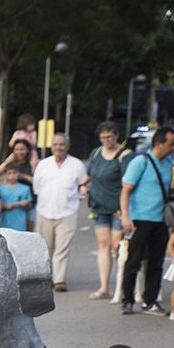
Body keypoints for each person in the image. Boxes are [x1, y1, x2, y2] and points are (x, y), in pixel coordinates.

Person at [118, 126, 174, 316]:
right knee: (133, 261)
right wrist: (126, 216)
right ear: (159, 144)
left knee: (156, 262)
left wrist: (172, 185)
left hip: (160, 221)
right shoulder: (140, 162)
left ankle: (150, 301)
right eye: (171, 144)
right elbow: (126, 190)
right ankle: (127, 300)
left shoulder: (168, 162)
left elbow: (159, 186)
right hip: (140, 220)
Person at [83, 121, 131, 300]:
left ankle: (124, 286)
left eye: (110, 136)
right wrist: (83, 185)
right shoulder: (96, 153)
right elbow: (88, 175)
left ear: (117, 135)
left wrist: (125, 210)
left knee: (117, 247)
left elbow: (129, 183)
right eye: (103, 137)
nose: (106, 140)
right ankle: (104, 287)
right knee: (103, 245)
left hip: (119, 208)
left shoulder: (124, 155)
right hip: (99, 206)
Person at [31, 133, 85, 290]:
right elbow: (37, 187)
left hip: (67, 212)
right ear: (51, 146)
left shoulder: (77, 165)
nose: (58, 147)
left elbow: (82, 187)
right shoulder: (43, 165)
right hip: (44, 211)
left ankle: (59, 280)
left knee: (62, 248)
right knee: (44, 248)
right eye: (55, 145)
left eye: (61, 144)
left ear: (67, 146)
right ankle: (45, 278)